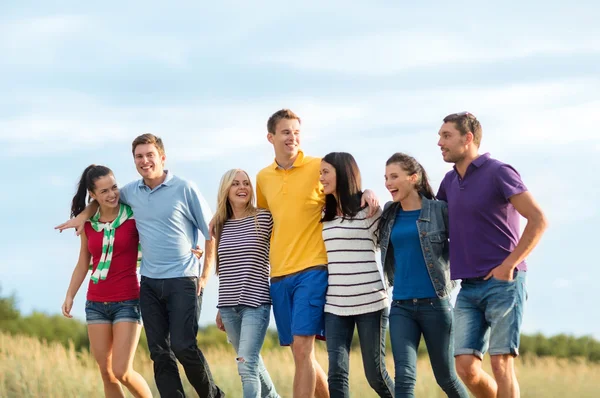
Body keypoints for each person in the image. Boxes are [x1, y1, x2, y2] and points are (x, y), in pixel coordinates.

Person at [56, 134, 224, 398]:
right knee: (153, 355)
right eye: (139, 156)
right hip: (142, 286)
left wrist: (204, 274)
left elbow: (211, 230)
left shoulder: (174, 192)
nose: (145, 161)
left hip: (175, 282)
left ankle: (213, 395)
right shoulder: (131, 193)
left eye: (150, 155)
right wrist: (82, 216)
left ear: (162, 157)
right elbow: (98, 206)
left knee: (181, 348)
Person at [255, 109, 378, 398]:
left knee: (303, 347)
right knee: (300, 354)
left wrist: (368, 191)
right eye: (286, 132)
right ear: (271, 137)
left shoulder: (316, 167)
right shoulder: (262, 178)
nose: (292, 137)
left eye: (297, 132)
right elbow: (263, 219)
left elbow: (346, 187)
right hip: (279, 273)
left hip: (314, 267)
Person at [437, 112, 547, 398]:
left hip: (504, 283)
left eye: (446, 135)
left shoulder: (499, 172)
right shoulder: (448, 182)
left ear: (468, 138)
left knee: (501, 364)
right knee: (465, 368)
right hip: (468, 287)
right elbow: (428, 220)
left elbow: (537, 219)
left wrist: (508, 265)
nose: (440, 142)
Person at [377, 153, 469, 398]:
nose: (388, 183)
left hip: (435, 305)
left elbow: (466, 239)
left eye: (394, 176)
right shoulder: (389, 213)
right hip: (401, 306)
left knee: (446, 378)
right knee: (405, 378)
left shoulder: (440, 210)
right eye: (386, 177)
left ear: (413, 178)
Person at [61, 164, 152, 398]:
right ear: (93, 195)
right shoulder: (88, 224)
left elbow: (159, 236)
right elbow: (83, 262)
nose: (112, 194)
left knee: (122, 371)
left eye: (114, 187)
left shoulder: (133, 215)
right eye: (104, 191)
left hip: (128, 301)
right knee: (106, 372)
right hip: (95, 303)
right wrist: (70, 294)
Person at [319, 152, 394, 398]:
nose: (321, 177)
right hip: (336, 305)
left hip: (370, 302)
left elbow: (389, 248)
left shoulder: (369, 211)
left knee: (375, 375)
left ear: (342, 173)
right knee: (336, 376)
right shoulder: (323, 214)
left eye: (325, 172)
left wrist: (370, 192)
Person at [212, 169, 279, 398]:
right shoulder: (221, 224)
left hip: (256, 303)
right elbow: (225, 269)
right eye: (235, 184)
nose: (242, 187)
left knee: (245, 365)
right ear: (226, 190)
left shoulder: (263, 217)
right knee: (253, 362)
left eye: (246, 183)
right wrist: (220, 308)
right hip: (229, 308)